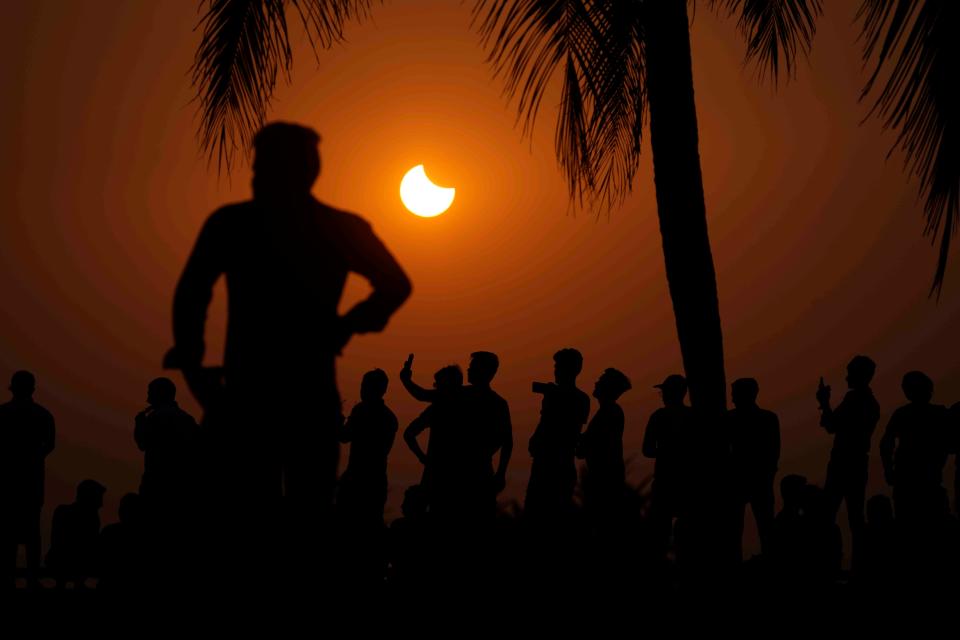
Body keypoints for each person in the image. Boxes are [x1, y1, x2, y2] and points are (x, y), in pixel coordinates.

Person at [163, 122, 412, 572]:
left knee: (273, 515)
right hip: (276, 391)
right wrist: (193, 359)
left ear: (299, 170)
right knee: (271, 514)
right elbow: (193, 290)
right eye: (256, 167)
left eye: (264, 167)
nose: (255, 176)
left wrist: (194, 360)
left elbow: (193, 291)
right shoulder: (310, 226)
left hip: (271, 393)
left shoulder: (245, 224)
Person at [400, 351, 512, 523]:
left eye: (473, 367)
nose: (468, 370)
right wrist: (500, 473)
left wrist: (406, 379)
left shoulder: (463, 396)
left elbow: (507, 442)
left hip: (465, 478)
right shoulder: (493, 402)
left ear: (486, 372)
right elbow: (507, 442)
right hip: (468, 476)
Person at [0, 370, 55, 590]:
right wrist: (32, 458)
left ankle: (8, 577)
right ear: (32, 389)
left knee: (6, 532)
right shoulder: (42, 414)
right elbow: (49, 445)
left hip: (6, 481)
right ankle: (32, 577)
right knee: (32, 531)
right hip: (31, 482)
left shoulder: (2, 413)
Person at [817, 355, 880, 542]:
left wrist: (824, 402)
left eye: (850, 374)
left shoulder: (856, 400)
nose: (846, 378)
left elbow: (832, 425)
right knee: (855, 516)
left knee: (829, 514)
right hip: (856, 462)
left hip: (844, 462)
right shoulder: (866, 401)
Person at [524, 349, 591, 521]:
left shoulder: (557, 395)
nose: (555, 370)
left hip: (549, 463)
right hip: (562, 462)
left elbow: (548, 422)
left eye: (558, 366)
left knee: (537, 515)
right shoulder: (582, 399)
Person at [879, 371, 949, 523]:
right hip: (925, 479)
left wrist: (888, 470)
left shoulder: (902, 414)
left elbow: (886, 444)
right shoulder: (939, 414)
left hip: (910, 481)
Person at [726, 377, 780, 557]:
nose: (732, 399)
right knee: (764, 528)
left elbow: (773, 452)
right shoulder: (768, 418)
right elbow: (773, 453)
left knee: (737, 530)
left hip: (743, 479)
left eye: (734, 395)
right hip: (757, 478)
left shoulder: (730, 419)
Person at [338, 369, 398, 526]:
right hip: (376, 480)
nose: (363, 390)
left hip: (356, 479)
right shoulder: (390, 417)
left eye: (365, 386)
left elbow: (344, 437)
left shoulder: (360, 411)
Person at [402, 361, 464, 514]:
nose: (436, 387)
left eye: (438, 384)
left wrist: (406, 379)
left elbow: (422, 395)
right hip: (458, 473)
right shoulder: (469, 403)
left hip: (438, 472)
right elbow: (409, 434)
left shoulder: (439, 407)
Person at [642, 373, 695, 551]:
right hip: (688, 482)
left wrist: (666, 452)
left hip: (667, 482)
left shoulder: (659, 416)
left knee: (660, 533)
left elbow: (647, 450)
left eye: (665, 392)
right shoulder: (693, 416)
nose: (663, 396)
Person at [134, 377, 199, 510]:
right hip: (182, 485)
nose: (148, 398)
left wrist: (140, 424)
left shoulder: (155, 418)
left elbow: (142, 443)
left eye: (150, 393)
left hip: (157, 483)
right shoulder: (186, 419)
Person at [578, 368, 632, 527]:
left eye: (600, 381)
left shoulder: (610, 412)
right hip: (604, 476)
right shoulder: (608, 411)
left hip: (605, 479)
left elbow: (596, 442)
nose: (596, 383)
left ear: (607, 388)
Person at [46, 479, 106, 589]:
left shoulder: (61, 511)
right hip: (71, 563)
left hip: (55, 562)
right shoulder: (92, 519)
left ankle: (63, 583)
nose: (101, 504)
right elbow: (90, 547)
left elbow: (56, 542)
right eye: (99, 498)